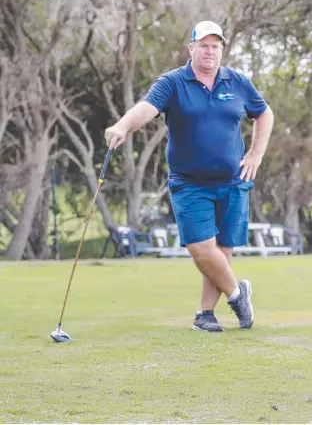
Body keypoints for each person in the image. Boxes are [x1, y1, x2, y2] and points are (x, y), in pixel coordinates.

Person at [104, 20, 274, 332]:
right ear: (191, 48)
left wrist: (256, 153)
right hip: (189, 182)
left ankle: (204, 315)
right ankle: (238, 294)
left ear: (222, 50)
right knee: (200, 247)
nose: (210, 51)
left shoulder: (237, 81)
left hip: (233, 181)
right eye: (204, 45)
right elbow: (146, 108)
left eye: (215, 46)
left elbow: (264, 113)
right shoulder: (172, 82)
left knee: (222, 250)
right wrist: (122, 126)